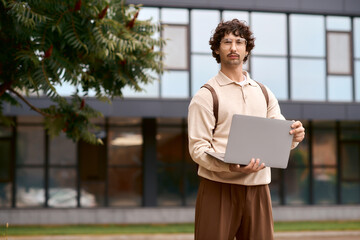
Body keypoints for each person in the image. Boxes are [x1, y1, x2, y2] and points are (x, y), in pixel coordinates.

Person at [187, 19, 305, 240]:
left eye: (239, 42)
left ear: (247, 49)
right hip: (217, 188)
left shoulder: (263, 92)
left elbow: (279, 135)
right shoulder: (206, 95)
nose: (233, 48)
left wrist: (295, 136)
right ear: (216, 49)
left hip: (258, 188)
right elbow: (198, 149)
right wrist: (230, 167)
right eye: (227, 42)